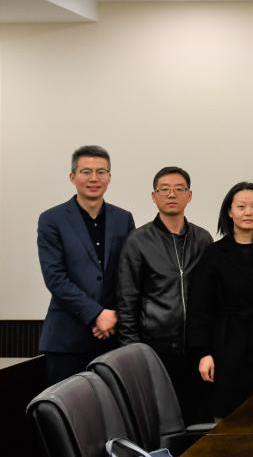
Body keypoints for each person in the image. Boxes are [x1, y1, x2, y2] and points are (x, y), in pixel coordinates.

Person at [117, 166, 212, 423]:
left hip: (196, 350)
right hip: (154, 350)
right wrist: (133, 354)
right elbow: (127, 301)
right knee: (160, 422)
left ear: (189, 196)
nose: (172, 194)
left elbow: (211, 296)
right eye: (165, 189)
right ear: (154, 196)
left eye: (179, 189)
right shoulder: (138, 241)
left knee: (199, 422)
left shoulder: (203, 239)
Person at [37, 145, 136, 385]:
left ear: (109, 177)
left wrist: (113, 315)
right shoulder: (52, 219)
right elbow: (55, 277)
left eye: (101, 172)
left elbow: (129, 275)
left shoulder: (123, 219)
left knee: (114, 406)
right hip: (66, 340)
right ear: (72, 177)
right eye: (86, 172)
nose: (94, 178)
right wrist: (96, 314)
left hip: (113, 336)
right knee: (65, 407)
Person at [187, 182, 253, 418]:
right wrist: (203, 353)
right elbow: (200, 307)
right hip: (227, 344)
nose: (248, 212)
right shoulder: (214, 253)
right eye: (241, 207)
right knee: (230, 414)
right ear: (229, 212)